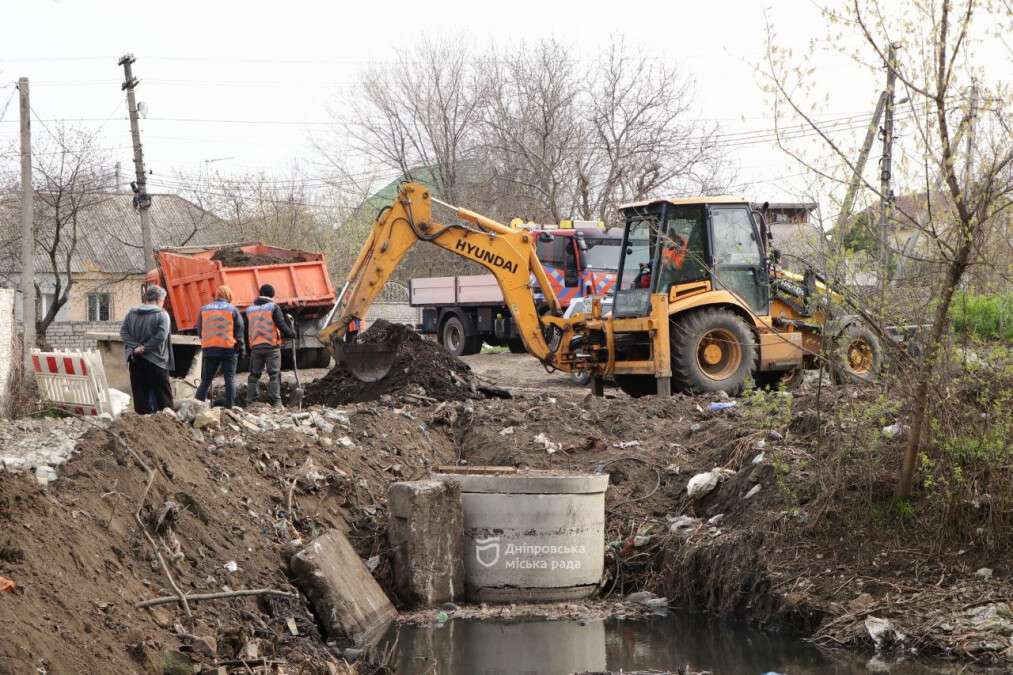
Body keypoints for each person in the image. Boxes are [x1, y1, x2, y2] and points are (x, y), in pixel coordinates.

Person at [120, 285, 175, 414]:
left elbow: (123, 332)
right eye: (163, 301)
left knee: (140, 398)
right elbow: (161, 336)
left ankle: (142, 428)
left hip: (135, 360)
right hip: (157, 361)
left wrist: (135, 347)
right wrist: (145, 348)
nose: (163, 303)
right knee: (164, 399)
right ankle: (168, 428)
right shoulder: (162, 315)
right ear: (158, 299)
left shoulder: (131, 313)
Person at [194, 285, 245, 408]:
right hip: (229, 349)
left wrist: (206, 343)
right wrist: (241, 348)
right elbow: (239, 330)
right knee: (230, 379)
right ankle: (230, 407)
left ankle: (196, 405)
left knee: (206, 380)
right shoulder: (232, 310)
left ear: (216, 295)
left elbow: (200, 330)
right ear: (228, 295)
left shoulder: (204, 309)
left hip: (210, 349)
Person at [246, 283, 295, 406]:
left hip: (256, 347)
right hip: (271, 347)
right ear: (272, 295)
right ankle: (276, 402)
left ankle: (251, 401)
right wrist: (291, 333)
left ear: (260, 293)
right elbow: (281, 325)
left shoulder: (250, 309)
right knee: (274, 374)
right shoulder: (273, 307)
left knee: (254, 375)